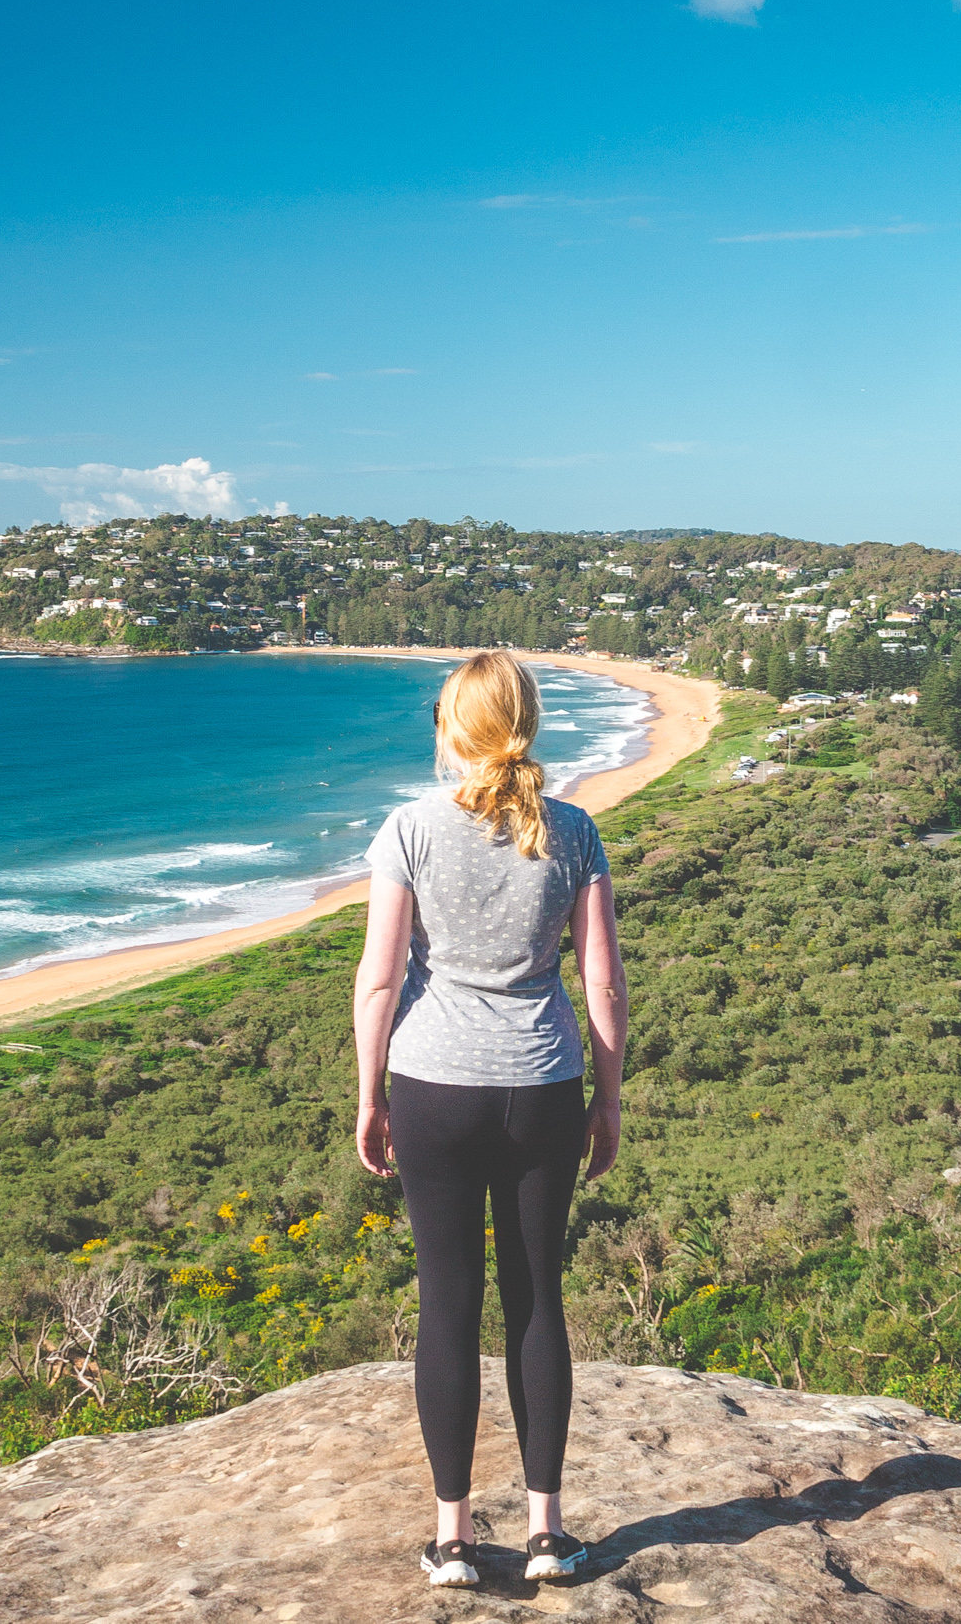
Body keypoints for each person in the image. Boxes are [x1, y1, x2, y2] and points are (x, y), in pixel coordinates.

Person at [352, 651, 628, 1589]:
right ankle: (549, 1534)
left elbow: (381, 977)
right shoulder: (577, 832)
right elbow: (601, 982)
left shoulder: (409, 831)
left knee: (448, 1306)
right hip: (543, 1085)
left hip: (432, 1084)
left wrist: (368, 1095)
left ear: (450, 728)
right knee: (537, 1299)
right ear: (528, 722)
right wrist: (610, 1096)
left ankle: (455, 1539)